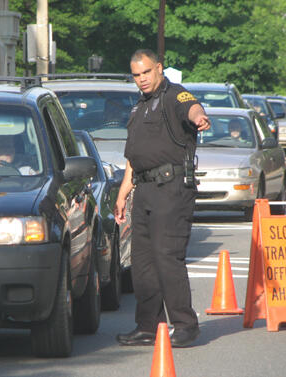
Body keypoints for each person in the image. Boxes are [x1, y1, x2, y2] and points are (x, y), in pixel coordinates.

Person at [114, 49, 210, 348]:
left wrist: (200, 117)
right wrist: (122, 193)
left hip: (171, 190)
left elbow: (192, 107)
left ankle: (185, 325)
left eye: (146, 72)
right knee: (142, 263)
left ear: (158, 68)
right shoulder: (139, 108)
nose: (141, 79)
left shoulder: (173, 95)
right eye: (136, 75)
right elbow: (134, 157)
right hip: (143, 191)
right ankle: (149, 326)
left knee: (167, 258)